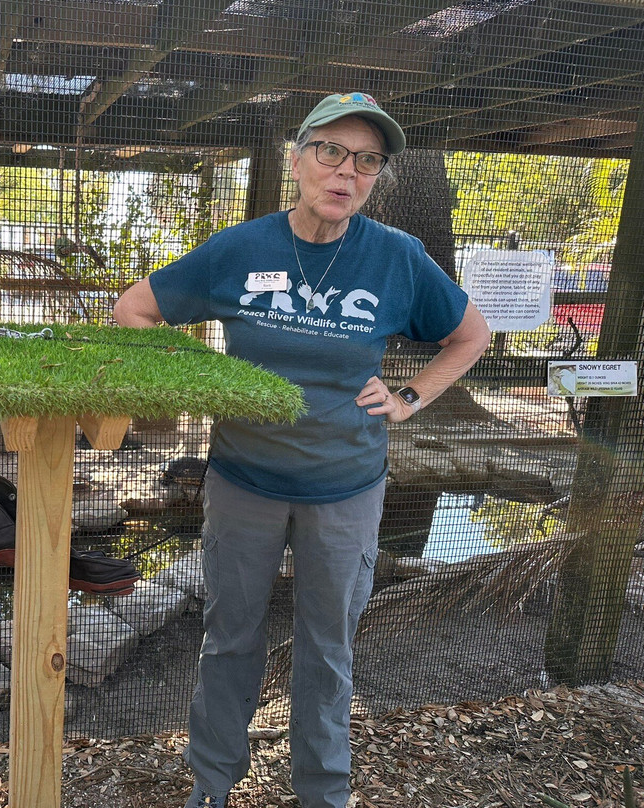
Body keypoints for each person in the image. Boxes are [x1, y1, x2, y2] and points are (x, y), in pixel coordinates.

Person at [112, 92, 491, 808]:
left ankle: (324, 794)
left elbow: (470, 335)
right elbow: (134, 309)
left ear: (376, 176)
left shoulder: (397, 258)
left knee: (328, 650)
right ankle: (212, 786)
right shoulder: (239, 248)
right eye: (331, 152)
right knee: (230, 641)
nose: (346, 171)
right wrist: (197, 379)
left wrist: (411, 398)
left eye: (367, 160)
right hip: (243, 484)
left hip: (346, 488)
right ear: (297, 159)